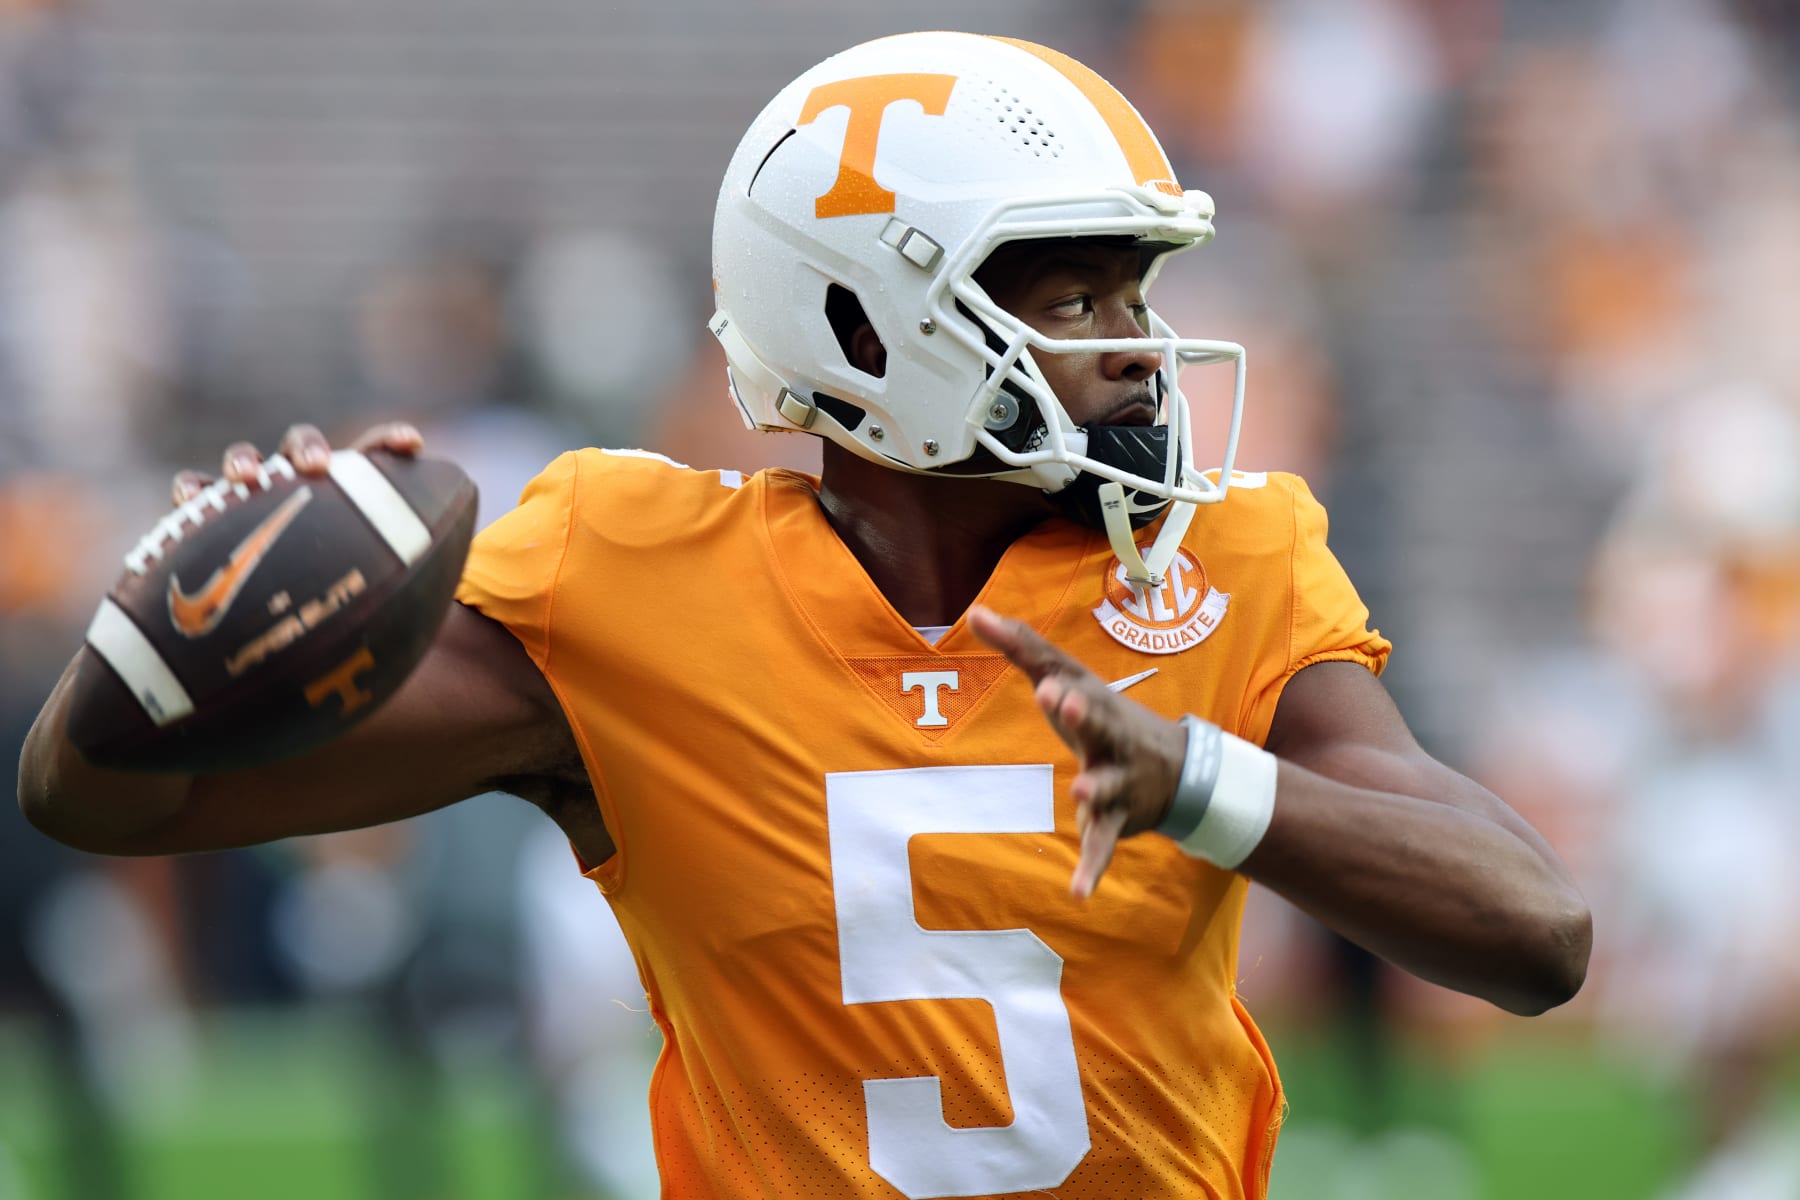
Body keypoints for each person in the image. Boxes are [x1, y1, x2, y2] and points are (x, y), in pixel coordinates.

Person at [19, 31, 1589, 1200]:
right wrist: (181, 631)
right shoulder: (626, 582)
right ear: (867, 320)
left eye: (1138, 295)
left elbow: (1534, 933)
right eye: (1072, 300)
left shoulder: (1215, 565)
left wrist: (1195, 781)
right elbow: (110, 801)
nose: (1138, 353)